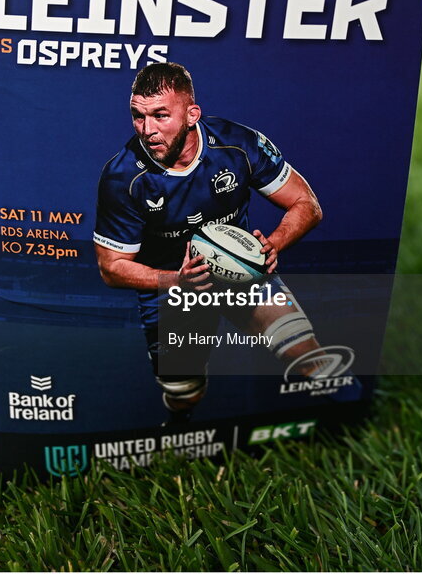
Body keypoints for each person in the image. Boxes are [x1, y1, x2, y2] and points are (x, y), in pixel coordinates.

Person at [93, 61, 341, 420]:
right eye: (138, 116)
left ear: (192, 114)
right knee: (184, 395)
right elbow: (111, 268)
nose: (148, 129)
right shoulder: (123, 178)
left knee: (306, 355)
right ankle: (180, 434)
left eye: (161, 115)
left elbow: (307, 204)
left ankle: (348, 427)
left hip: (242, 274)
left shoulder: (237, 146)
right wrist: (176, 280)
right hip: (173, 291)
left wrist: (273, 244)